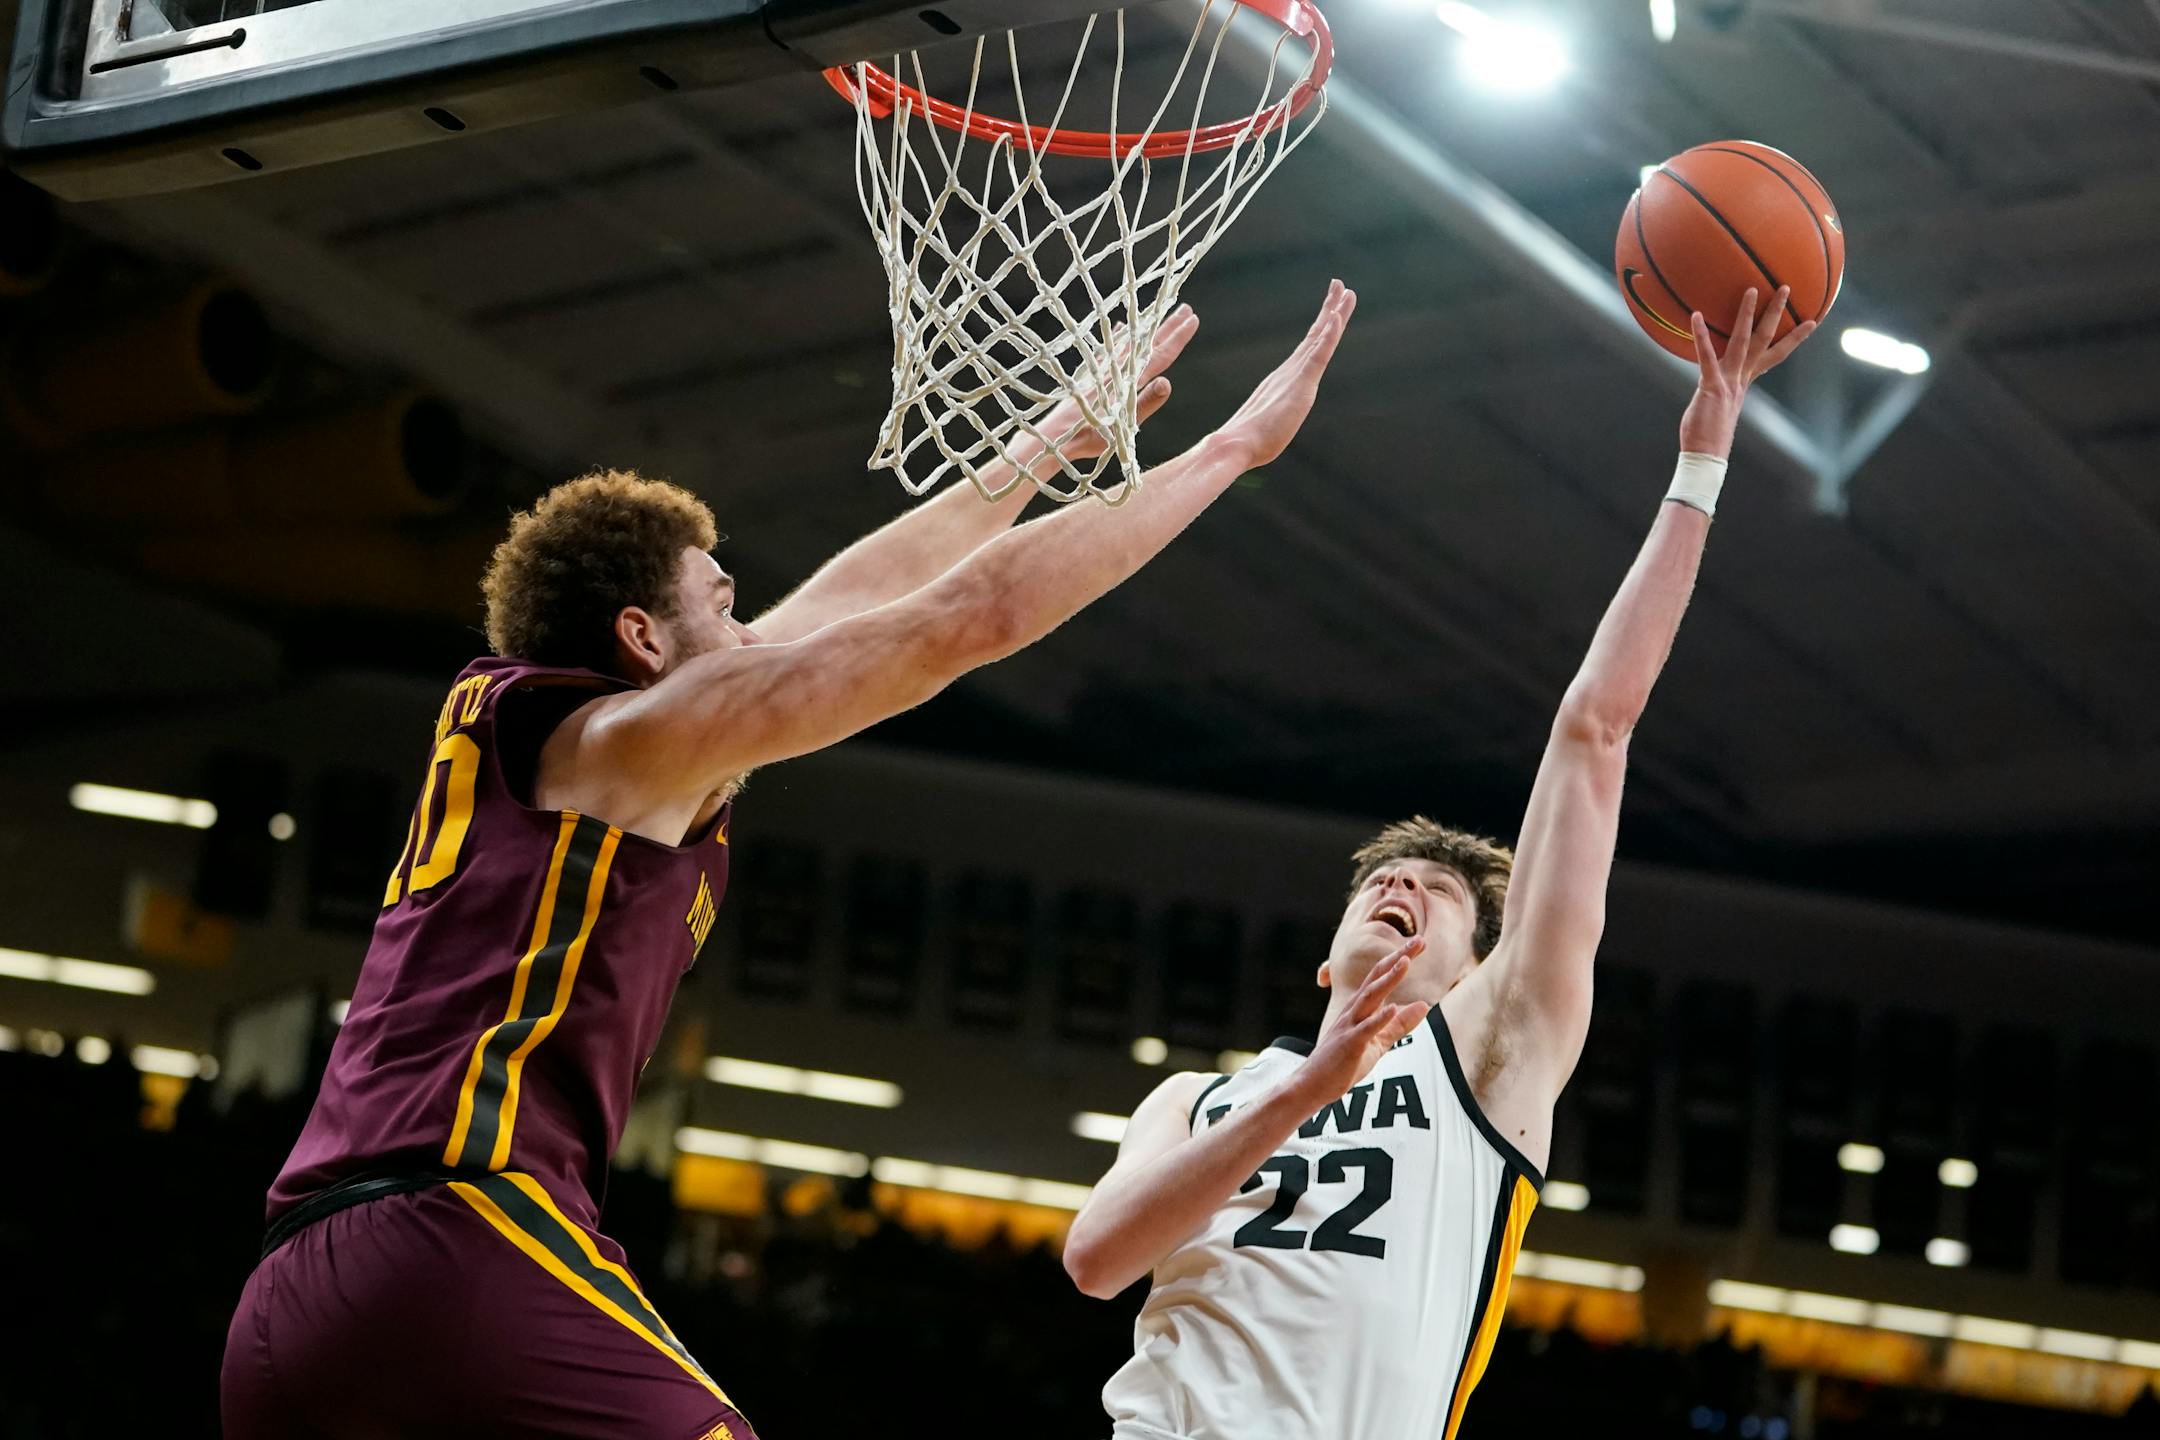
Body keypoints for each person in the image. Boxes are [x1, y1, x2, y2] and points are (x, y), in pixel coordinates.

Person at [219, 282, 1359, 1440]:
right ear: (642, 637)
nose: (757, 626)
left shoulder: (564, 755)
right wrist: (1225, 453)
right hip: (449, 1241)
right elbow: (962, 621)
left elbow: (852, 601)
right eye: (726, 603)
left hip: (289, 1310)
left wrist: (1044, 447)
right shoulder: (625, 740)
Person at [1065, 289, 1817, 1440]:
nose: (1403, 887)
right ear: (1326, 962)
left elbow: (1594, 730)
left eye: (1444, 896)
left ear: (1476, 969)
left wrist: (1701, 466)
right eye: (1382, 883)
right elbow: (1098, 1260)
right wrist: (1310, 1087)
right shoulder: (1198, 1098)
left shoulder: (1494, 1055)